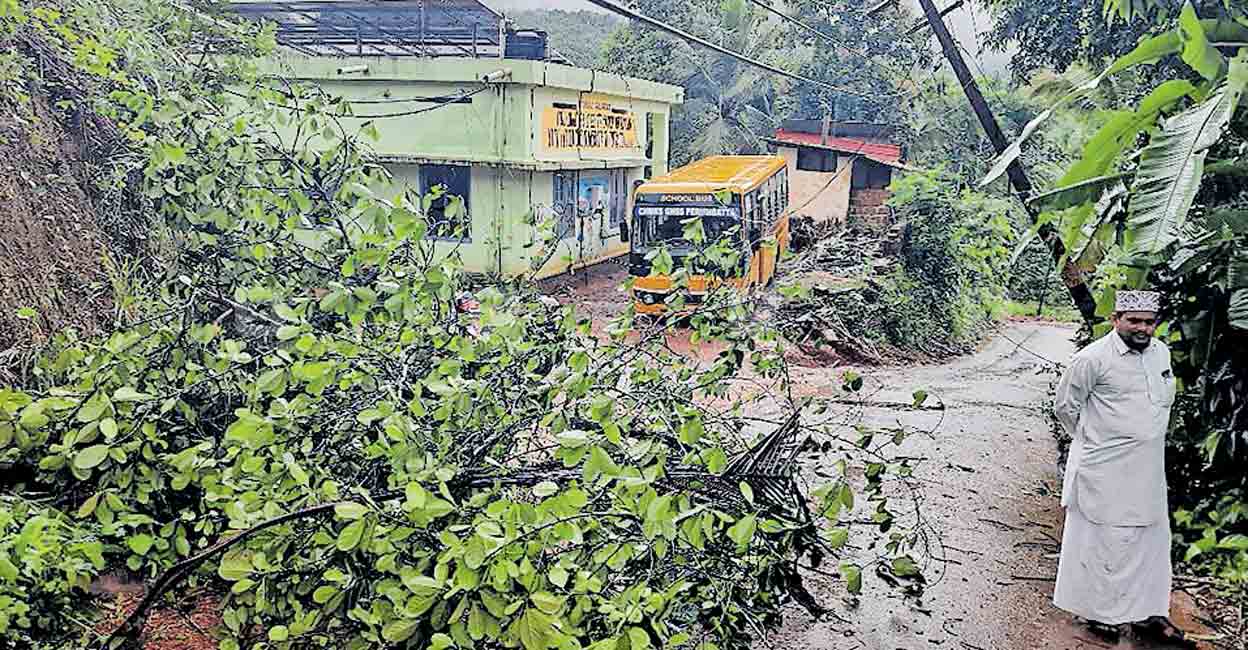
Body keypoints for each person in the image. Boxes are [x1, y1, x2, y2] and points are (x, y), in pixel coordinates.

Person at [1052, 290, 1193, 646]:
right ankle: (1102, 617)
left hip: (1147, 469)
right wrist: (1095, 442)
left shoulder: (1160, 352)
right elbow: (1065, 407)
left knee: (1150, 540)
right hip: (1105, 470)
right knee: (1107, 540)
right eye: (1134, 320)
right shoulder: (1092, 359)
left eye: (1148, 321)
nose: (1142, 328)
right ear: (1116, 320)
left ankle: (1148, 613)